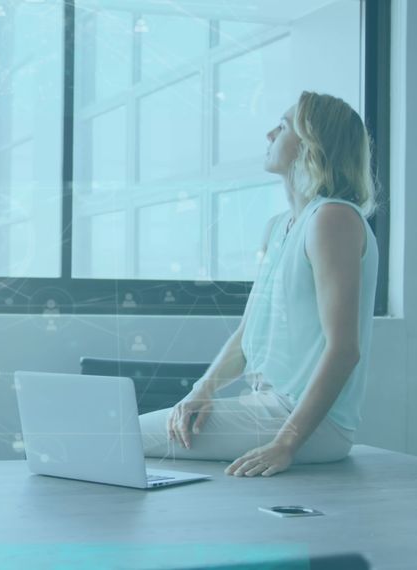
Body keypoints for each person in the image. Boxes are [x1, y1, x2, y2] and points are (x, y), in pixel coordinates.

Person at [139, 91, 379, 478]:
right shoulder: (280, 227)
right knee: (142, 437)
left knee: (122, 436)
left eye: (283, 126)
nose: (269, 134)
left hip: (309, 425)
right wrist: (203, 389)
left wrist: (286, 444)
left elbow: (344, 350)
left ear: (312, 143)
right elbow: (247, 335)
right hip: (266, 407)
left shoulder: (332, 220)